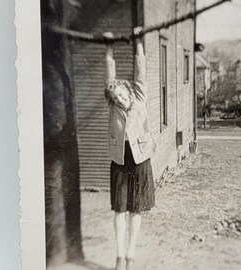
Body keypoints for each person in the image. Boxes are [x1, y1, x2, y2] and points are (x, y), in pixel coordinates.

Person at [103, 27, 156, 270]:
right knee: (119, 210)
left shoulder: (140, 96)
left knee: (136, 209)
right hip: (120, 162)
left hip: (140, 159)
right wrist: (109, 48)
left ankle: (131, 254)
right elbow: (109, 78)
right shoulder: (113, 108)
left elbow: (140, 70)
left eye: (121, 96)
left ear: (127, 89)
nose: (119, 100)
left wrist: (138, 42)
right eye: (115, 99)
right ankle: (119, 256)